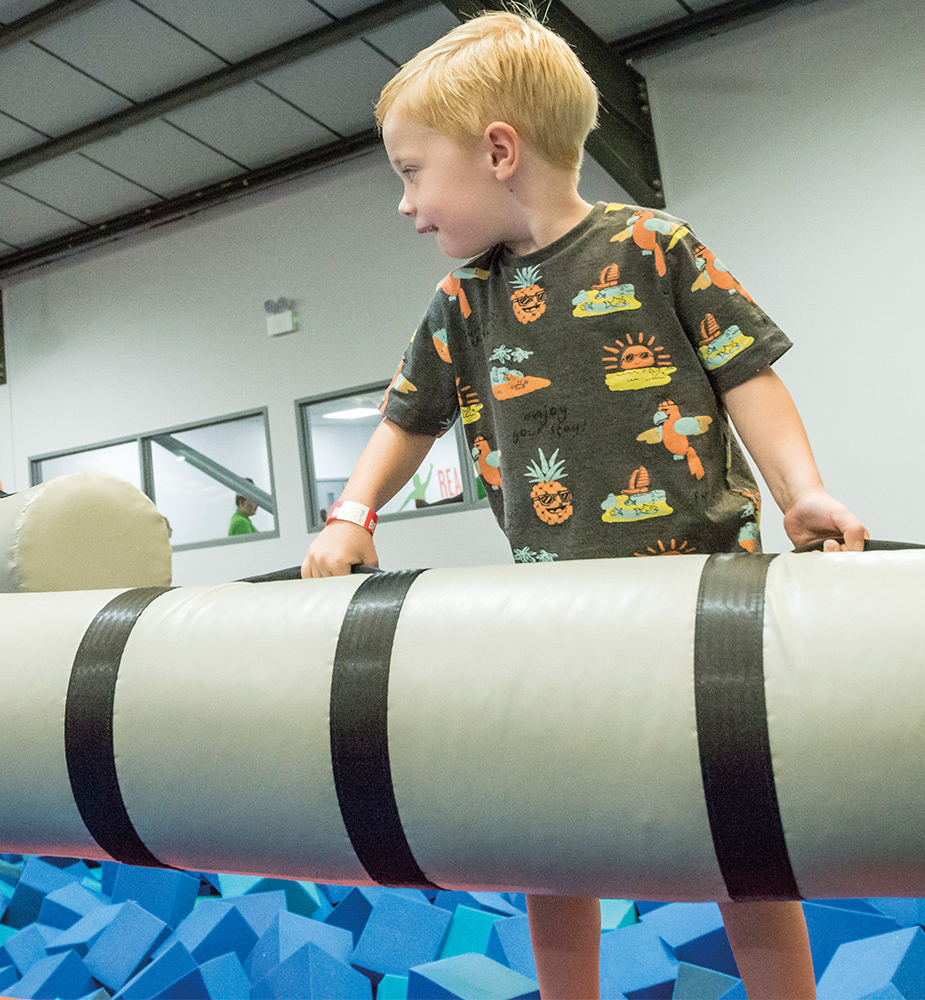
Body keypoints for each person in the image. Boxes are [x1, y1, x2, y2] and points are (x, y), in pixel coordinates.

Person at [302, 12, 867, 999]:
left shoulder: (653, 248)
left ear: (496, 151)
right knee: (545, 820)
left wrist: (800, 491)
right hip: (555, 604)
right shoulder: (460, 302)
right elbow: (404, 421)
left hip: (704, 598)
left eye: (410, 171)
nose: (405, 204)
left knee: (735, 818)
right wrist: (352, 512)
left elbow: (745, 375)